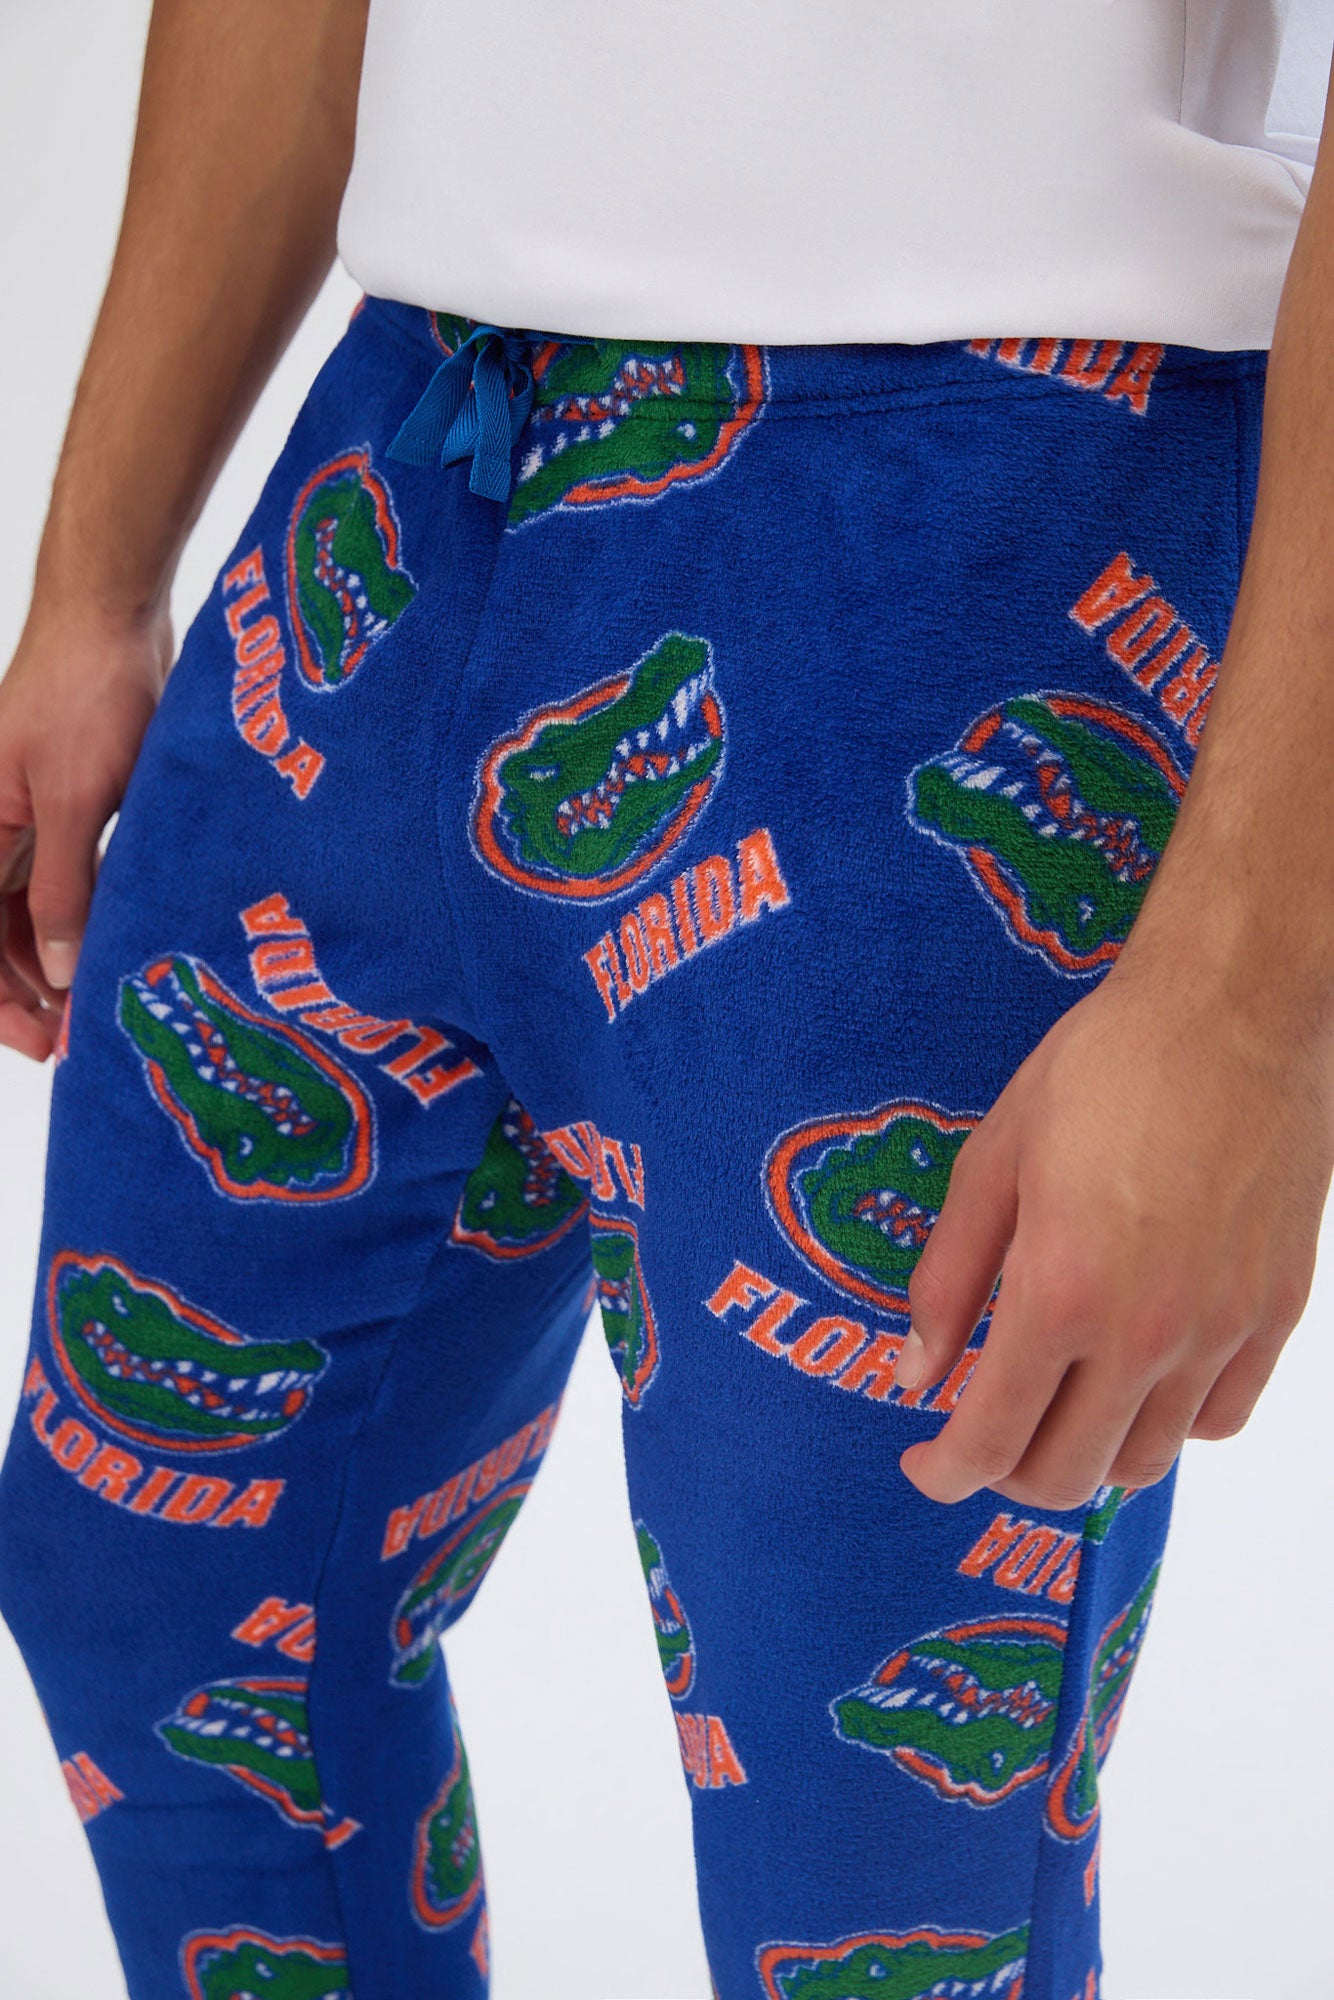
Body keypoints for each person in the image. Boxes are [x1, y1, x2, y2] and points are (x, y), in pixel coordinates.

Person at [0, 3, 1331, 1996]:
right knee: (159, 1603)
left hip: (984, 519)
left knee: (868, 1874)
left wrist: (1250, 1002)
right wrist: (96, 578)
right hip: (407, 447)